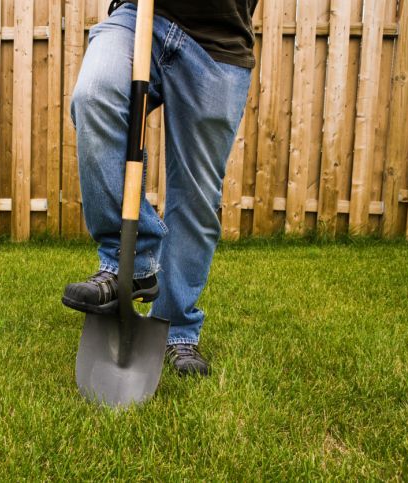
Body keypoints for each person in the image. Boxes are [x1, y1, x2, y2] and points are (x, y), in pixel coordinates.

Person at [62, 0, 259, 375]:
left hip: (219, 39)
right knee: (96, 94)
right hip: (141, 16)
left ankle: (177, 330)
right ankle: (128, 263)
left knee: (196, 194)